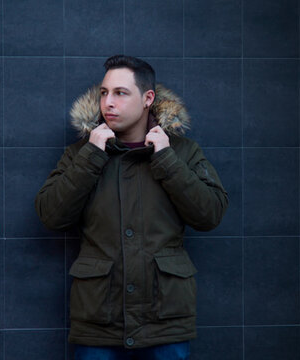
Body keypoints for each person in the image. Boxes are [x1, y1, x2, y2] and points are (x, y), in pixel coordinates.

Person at [35, 55, 229, 360]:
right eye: (104, 93)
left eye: (120, 93)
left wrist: (166, 159)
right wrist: (90, 157)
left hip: (164, 322)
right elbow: (51, 216)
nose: (108, 103)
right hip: (99, 323)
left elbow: (210, 214)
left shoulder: (183, 152)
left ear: (147, 98)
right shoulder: (79, 154)